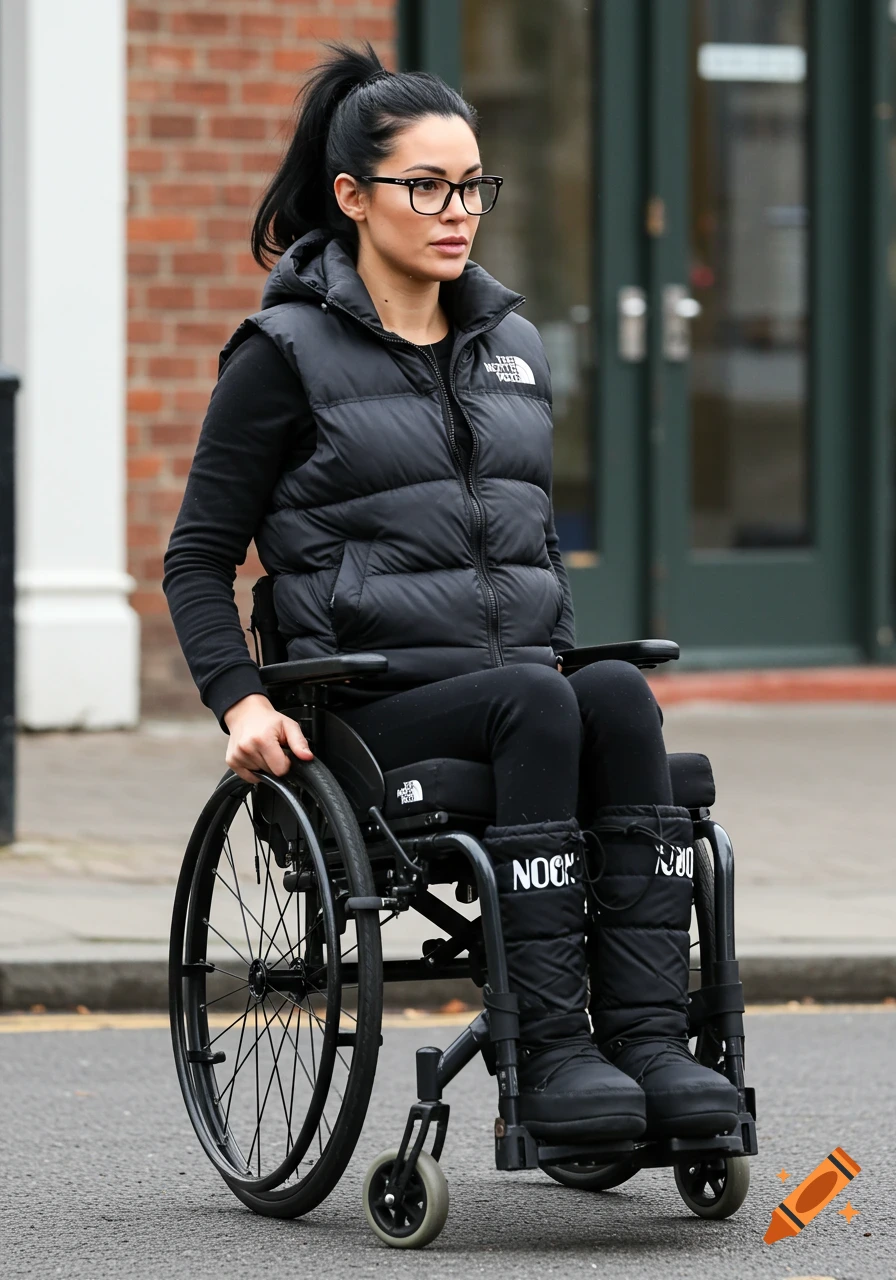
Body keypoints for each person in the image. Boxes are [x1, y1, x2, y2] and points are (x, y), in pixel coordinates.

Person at [163, 41, 738, 1144]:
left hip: (526, 690)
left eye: (471, 184)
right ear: (351, 196)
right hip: (365, 705)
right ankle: (554, 1054)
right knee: (541, 698)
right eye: (425, 185)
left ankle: (651, 1043)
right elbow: (196, 556)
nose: (456, 209)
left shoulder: (509, 347)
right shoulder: (281, 356)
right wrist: (241, 700)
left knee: (610, 691)